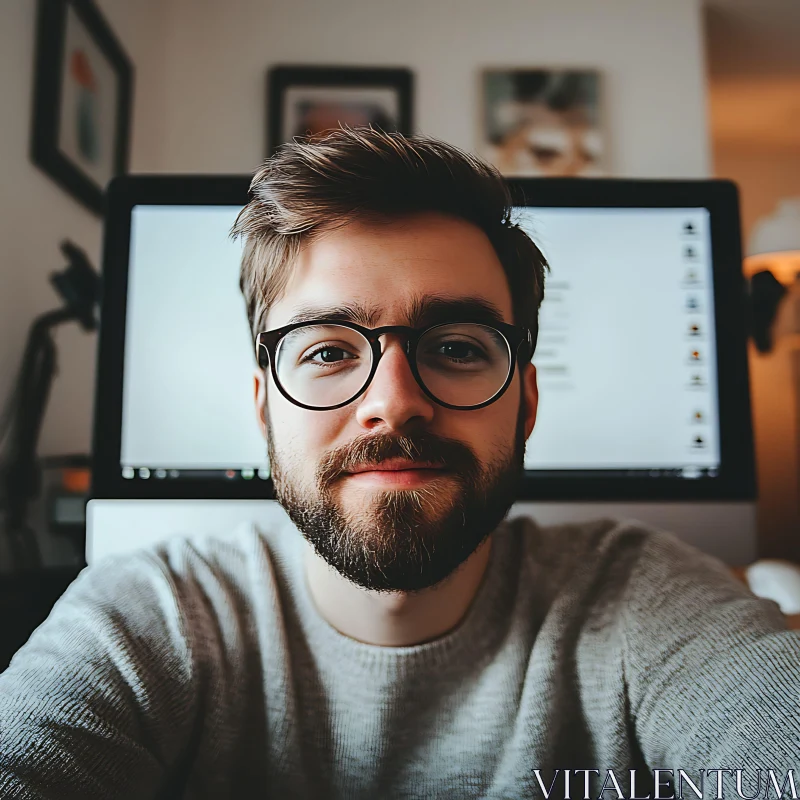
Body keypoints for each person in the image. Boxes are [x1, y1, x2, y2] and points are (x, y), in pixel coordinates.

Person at [0, 128, 798, 800]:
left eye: (455, 348)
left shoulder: (643, 600)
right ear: (261, 405)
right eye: (326, 350)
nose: (395, 403)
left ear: (525, 401)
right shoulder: (149, 615)